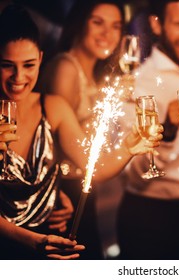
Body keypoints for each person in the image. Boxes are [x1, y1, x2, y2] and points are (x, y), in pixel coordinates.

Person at [0, 4, 162, 260]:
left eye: (29, 65)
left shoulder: (53, 107)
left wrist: (129, 148)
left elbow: (93, 166)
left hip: (54, 239)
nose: (18, 76)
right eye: (7, 65)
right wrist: (35, 241)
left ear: (41, 59)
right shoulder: (66, 69)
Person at [117, 0, 179, 259]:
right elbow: (137, 173)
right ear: (157, 24)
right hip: (148, 215)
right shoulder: (139, 82)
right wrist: (168, 129)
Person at [39, 0, 124, 259]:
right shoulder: (66, 68)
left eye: (115, 26)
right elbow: (49, 142)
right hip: (65, 192)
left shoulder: (90, 70)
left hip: (82, 183)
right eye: (97, 22)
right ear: (79, 23)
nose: (107, 33)